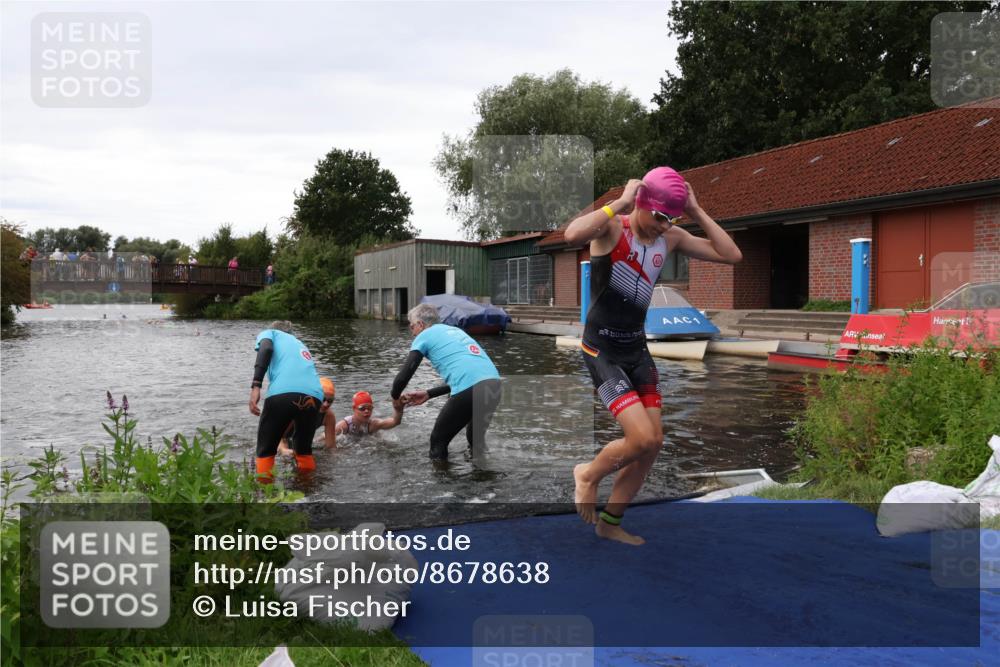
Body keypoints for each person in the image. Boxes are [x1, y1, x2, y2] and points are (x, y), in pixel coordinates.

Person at [564, 166, 742, 545]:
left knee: (653, 443)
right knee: (641, 437)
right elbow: (572, 235)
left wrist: (695, 212)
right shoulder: (613, 228)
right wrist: (620, 203)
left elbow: (732, 255)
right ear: (642, 204)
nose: (664, 225)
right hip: (602, 349)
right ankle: (588, 474)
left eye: (672, 218)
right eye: (660, 216)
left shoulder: (673, 236)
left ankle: (610, 522)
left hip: (636, 349)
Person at [391, 303, 502, 461]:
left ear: (421, 324)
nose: (412, 332)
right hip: (493, 385)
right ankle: (484, 476)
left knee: (438, 441)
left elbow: (403, 377)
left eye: (412, 327)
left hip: (470, 388)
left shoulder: (424, 335)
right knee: (475, 439)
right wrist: (429, 394)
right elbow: (469, 377)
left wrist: (395, 398)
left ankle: (443, 482)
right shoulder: (455, 331)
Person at [249, 320, 325, 480]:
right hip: (315, 395)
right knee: (303, 450)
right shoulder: (300, 344)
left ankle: (264, 497)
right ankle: (307, 489)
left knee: (266, 449)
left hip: (283, 391)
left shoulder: (271, 333)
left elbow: (266, 348)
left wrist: (256, 385)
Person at [278, 377, 337, 456]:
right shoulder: (298, 410)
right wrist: (283, 450)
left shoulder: (329, 416)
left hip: (297, 438)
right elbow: (278, 436)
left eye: (330, 401)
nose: (326, 404)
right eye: (323, 399)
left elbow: (331, 447)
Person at [336, 391, 405, 437]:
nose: (366, 411)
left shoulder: (373, 424)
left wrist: (399, 409)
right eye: (362, 408)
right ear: (354, 408)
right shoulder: (343, 426)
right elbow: (326, 438)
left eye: (369, 408)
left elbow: (395, 422)